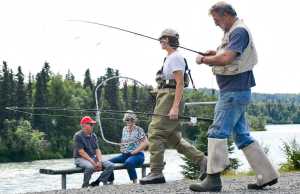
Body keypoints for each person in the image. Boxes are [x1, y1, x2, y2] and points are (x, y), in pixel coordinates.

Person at [189, 2, 279, 192]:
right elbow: (226, 54)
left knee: (216, 131)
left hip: (232, 93)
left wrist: (203, 60)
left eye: (216, 19)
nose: (215, 23)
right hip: (238, 92)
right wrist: (214, 53)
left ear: (226, 15)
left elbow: (226, 59)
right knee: (242, 136)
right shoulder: (236, 31)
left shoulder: (238, 31)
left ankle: (212, 180)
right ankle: (267, 175)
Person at [139, 29, 207, 185]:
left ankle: (156, 172)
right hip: (165, 96)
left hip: (170, 99)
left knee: (155, 132)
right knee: (174, 139)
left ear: (169, 40)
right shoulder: (170, 57)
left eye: (163, 38)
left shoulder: (175, 57)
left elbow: (179, 83)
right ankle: (203, 161)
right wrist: (158, 92)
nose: (160, 41)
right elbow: (169, 83)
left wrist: (175, 107)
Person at [95, 110, 148, 184]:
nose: (129, 121)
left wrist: (134, 152)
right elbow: (123, 141)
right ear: (125, 120)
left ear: (134, 120)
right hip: (125, 154)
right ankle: (111, 180)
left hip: (138, 155)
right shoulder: (124, 129)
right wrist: (122, 146)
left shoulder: (139, 129)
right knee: (107, 162)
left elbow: (145, 143)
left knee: (129, 162)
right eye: (127, 119)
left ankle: (135, 181)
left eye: (131, 119)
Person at [73, 116, 114, 188]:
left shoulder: (94, 135)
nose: (92, 126)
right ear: (84, 125)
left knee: (110, 165)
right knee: (90, 167)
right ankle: (85, 186)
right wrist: (93, 162)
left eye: (93, 124)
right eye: (91, 124)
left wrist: (100, 161)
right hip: (80, 158)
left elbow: (97, 150)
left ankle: (98, 182)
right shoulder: (78, 136)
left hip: (92, 157)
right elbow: (81, 152)